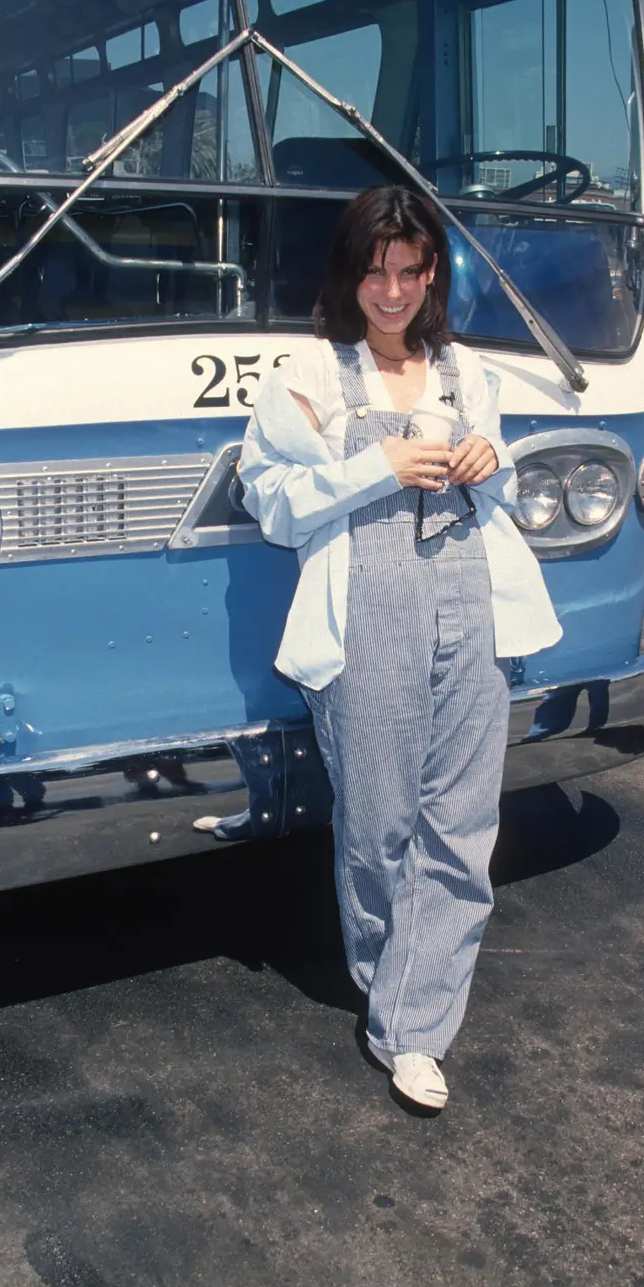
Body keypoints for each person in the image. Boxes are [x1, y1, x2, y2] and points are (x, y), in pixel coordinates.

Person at [226, 185, 561, 1109]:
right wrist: (373, 467)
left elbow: (500, 479)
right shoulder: (308, 373)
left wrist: (493, 461)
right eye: (376, 271)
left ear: (432, 276)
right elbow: (269, 495)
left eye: (410, 272)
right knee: (376, 823)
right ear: (350, 272)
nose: (392, 292)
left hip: (467, 592)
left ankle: (415, 1028)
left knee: (462, 820)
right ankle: (392, 976)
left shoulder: (466, 373)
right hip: (367, 600)